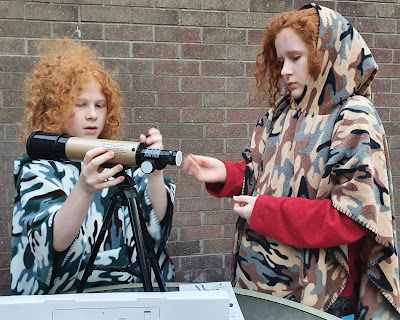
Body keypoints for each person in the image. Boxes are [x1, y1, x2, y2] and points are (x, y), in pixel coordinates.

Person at [183, 4, 400, 319]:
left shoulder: (354, 118)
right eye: (281, 60)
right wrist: (225, 175)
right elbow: (263, 178)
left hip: (319, 298)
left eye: (295, 58)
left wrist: (265, 213)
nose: (284, 70)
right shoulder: (280, 115)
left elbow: (353, 217)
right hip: (260, 289)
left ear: (326, 54)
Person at [10, 39, 176, 295]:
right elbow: (51, 243)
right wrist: (84, 190)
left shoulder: (120, 159)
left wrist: (155, 173)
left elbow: (156, 222)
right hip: (71, 301)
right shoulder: (38, 169)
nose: (92, 114)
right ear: (55, 108)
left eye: (100, 105)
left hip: (130, 295)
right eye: (80, 104)